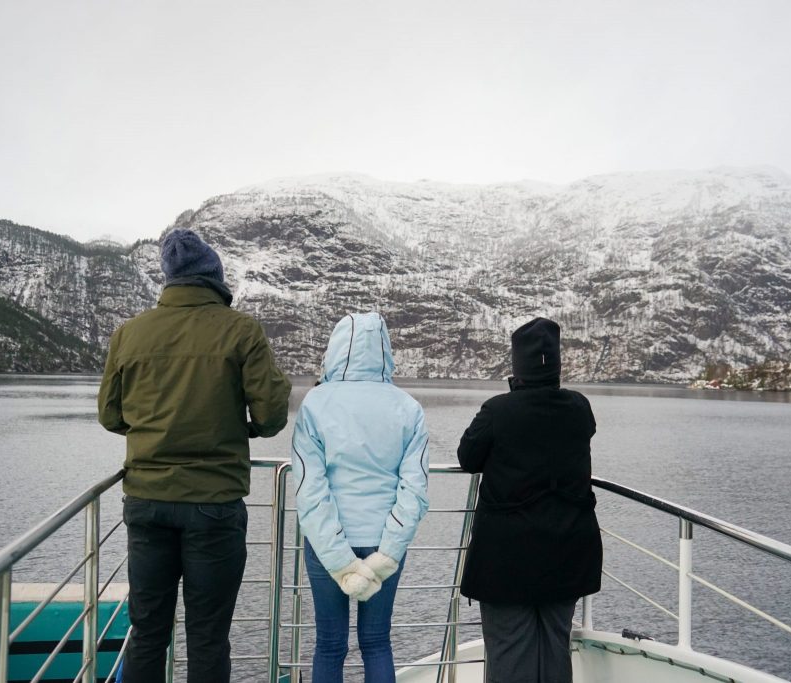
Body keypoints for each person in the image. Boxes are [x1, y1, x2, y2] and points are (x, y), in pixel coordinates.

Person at [97, 229, 292, 683]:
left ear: (169, 278)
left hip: (146, 500)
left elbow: (110, 415)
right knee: (207, 635)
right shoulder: (240, 330)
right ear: (213, 275)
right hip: (213, 503)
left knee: (147, 631)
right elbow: (271, 413)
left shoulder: (130, 333)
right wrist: (240, 428)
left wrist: (154, 432)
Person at [457, 317, 602, 683]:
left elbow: (467, 457)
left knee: (509, 651)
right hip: (568, 551)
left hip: (508, 560)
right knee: (556, 647)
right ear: (556, 364)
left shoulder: (498, 411)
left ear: (516, 365)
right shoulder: (579, 407)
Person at [292, 312, 430, 683]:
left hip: (327, 545)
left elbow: (309, 489)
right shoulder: (408, 408)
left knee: (330, 645)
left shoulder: (314, 405)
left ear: (335, 350)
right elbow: (414, 490)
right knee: (377, 642)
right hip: (385, 541)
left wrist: (338, 559)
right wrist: (387, 554)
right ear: (385, 350)